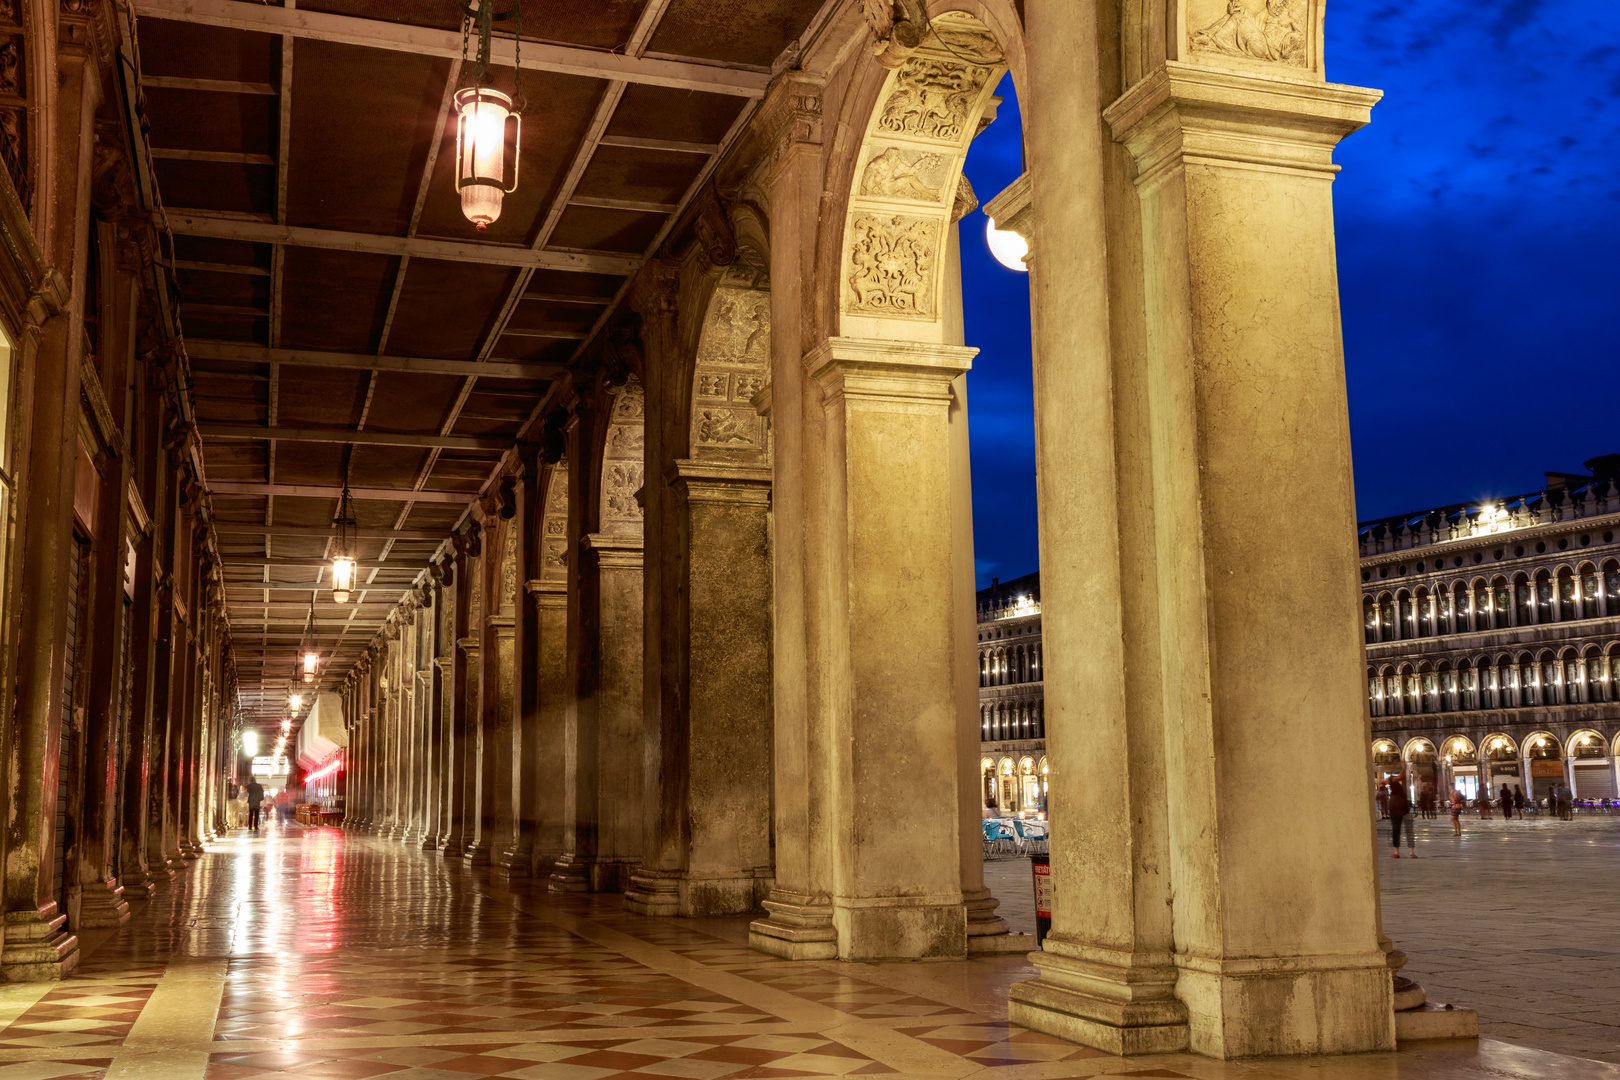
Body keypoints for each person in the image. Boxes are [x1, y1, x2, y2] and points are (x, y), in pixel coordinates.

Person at [1388, 778, 1414, 858]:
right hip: (1405, 813)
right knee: (1409, 832)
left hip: (1395, 815)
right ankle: (1411, 852)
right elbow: (1407, 803)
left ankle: (1396, 852)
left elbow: (1390, 806)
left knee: (1395, 832)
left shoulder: (1392, 795)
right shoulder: (1403, 794)